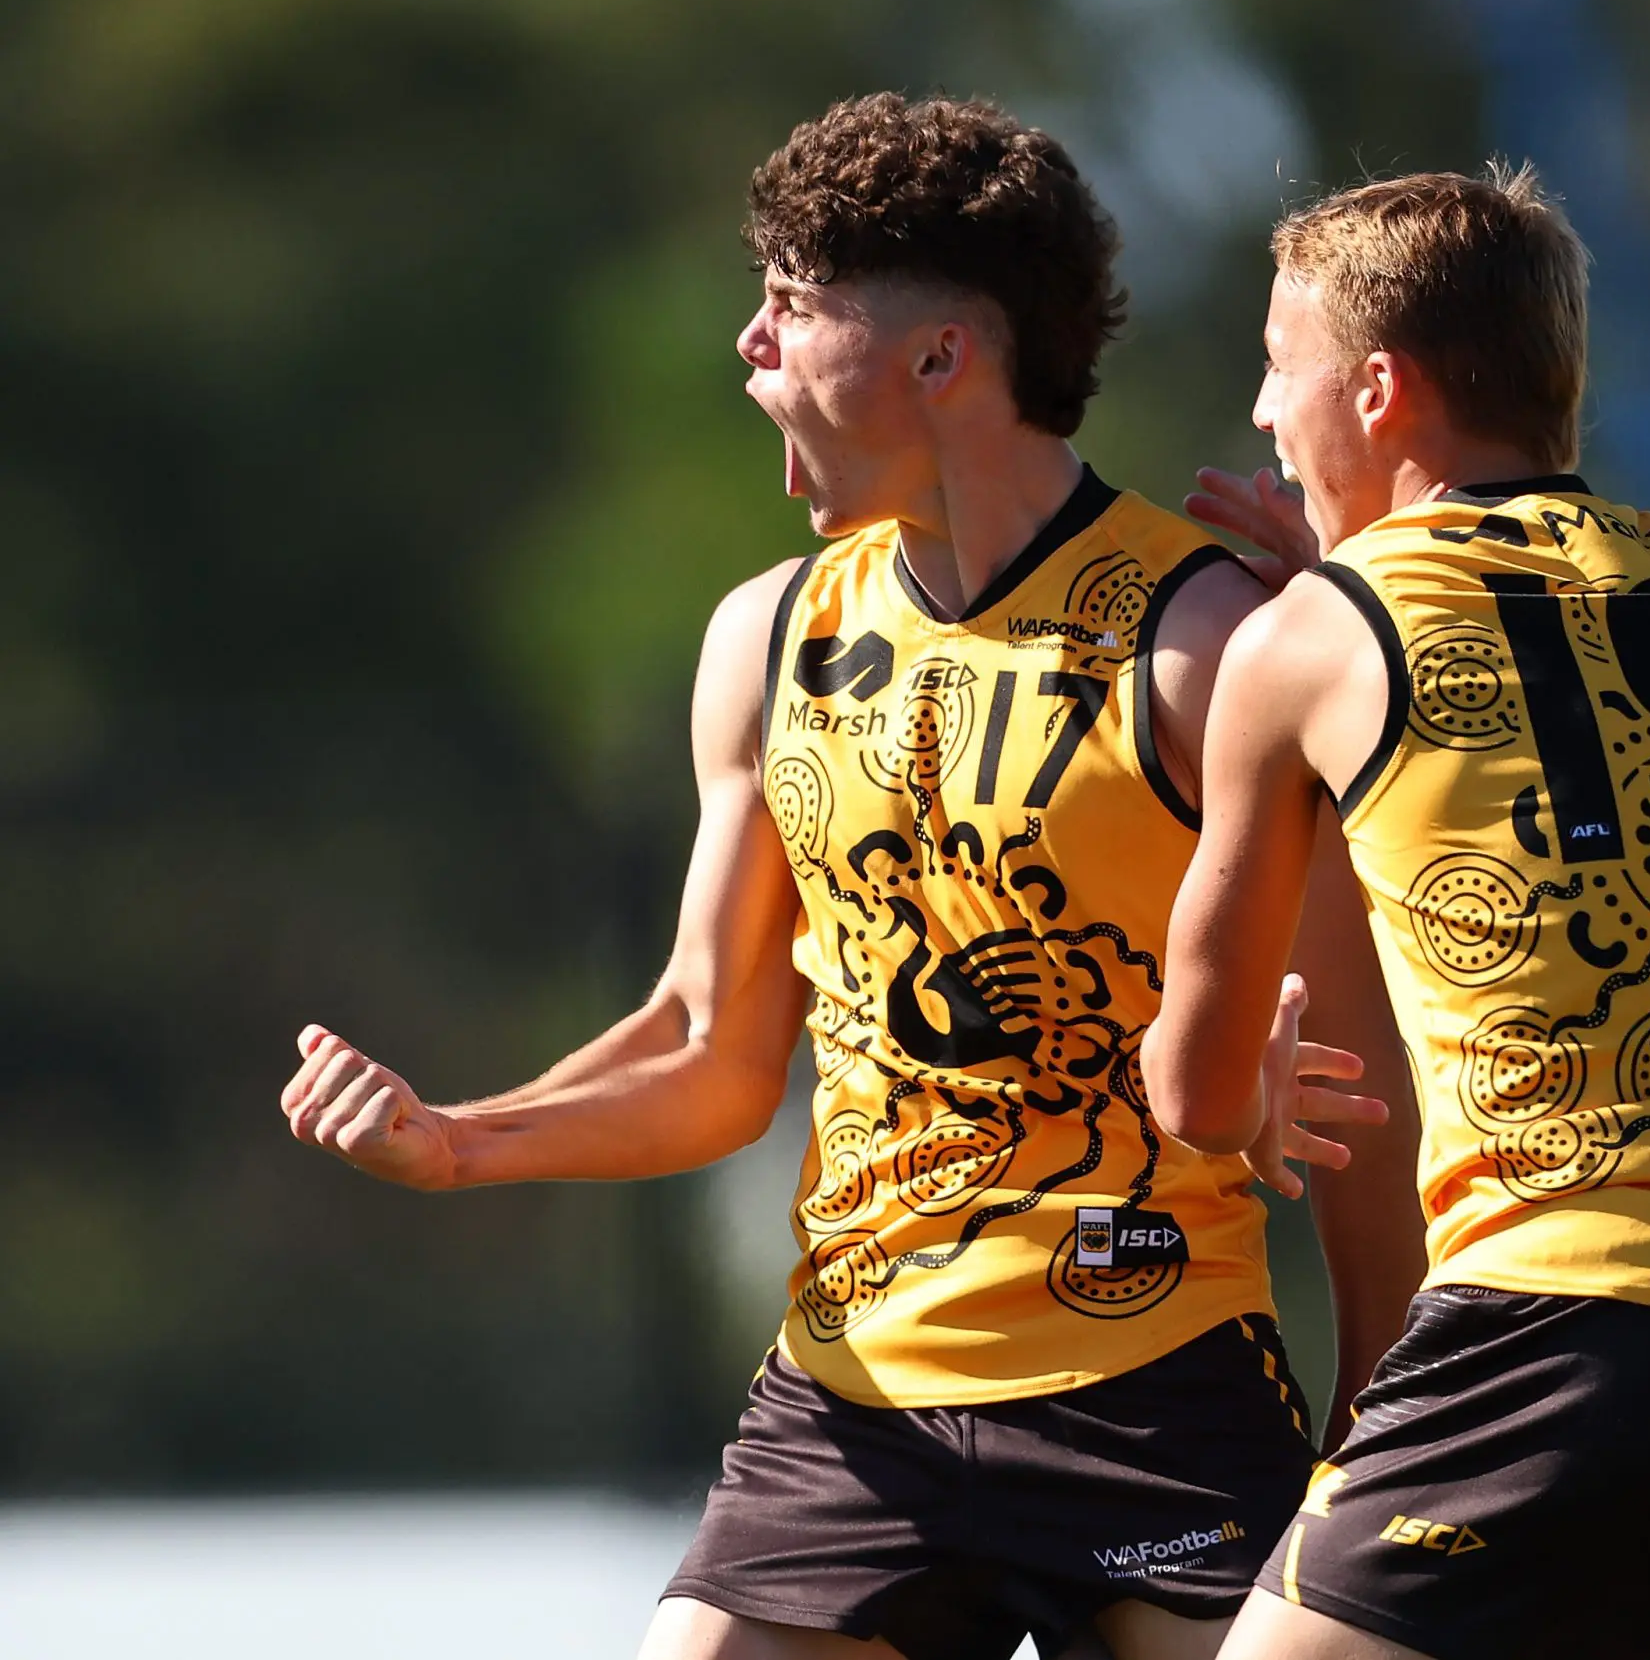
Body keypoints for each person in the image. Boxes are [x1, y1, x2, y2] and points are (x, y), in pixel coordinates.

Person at [277, 92, 1423, 1660]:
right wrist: (459, 1142)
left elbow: (1364, 1092)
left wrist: (1381, 1425)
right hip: (851, 1405)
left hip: (1157, 1385)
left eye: (792, 307)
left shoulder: (1210, 642)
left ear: (943, 358)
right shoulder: (769, 635)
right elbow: (711, 1046)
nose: (749, 349)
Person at [1143, 166, 1650, 1660]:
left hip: (1556, 1320)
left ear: (1379, 389)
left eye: (1282, 366)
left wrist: (1245, 1096)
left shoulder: (1307, 642)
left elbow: (1196, 1094)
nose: (1265, 412)